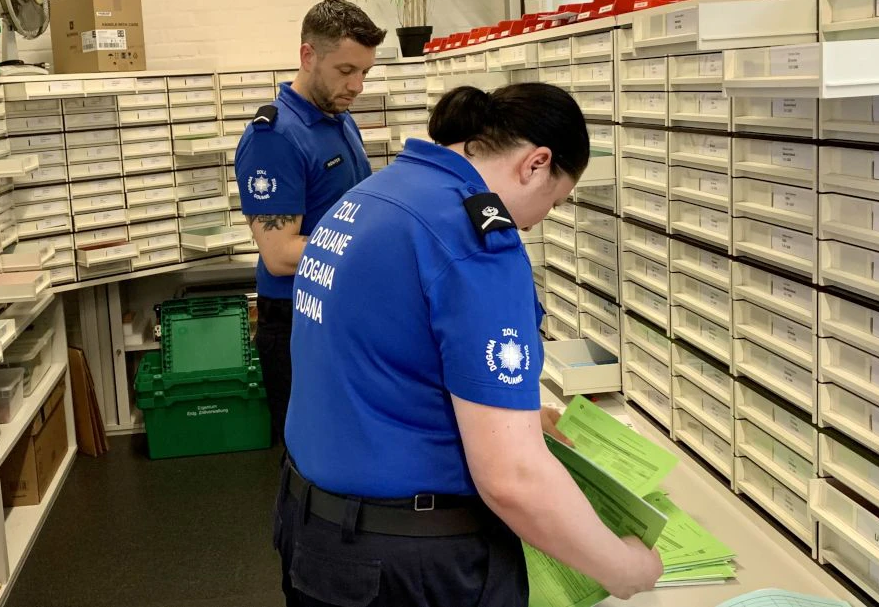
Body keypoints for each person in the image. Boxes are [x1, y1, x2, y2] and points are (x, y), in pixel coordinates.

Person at [275, 83, 664, 606]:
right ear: (536, 163)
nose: (539, 219)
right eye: (554, 199)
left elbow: (377, 363)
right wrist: (623, 569)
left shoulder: (371, 196)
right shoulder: (473, 239)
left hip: (313, 533)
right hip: (411, 562)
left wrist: (514, 417)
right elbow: (512, 479)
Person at [233, 0, 386, 447]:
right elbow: (280, 255)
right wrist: (376, 249)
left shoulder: (340, 119)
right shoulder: (274, 137)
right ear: (308, 56)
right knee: (310, 455)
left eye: (365, 73)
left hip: (341, 306)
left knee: (346, 447)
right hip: (298, 318)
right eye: (345, 71)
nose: (357, 85)